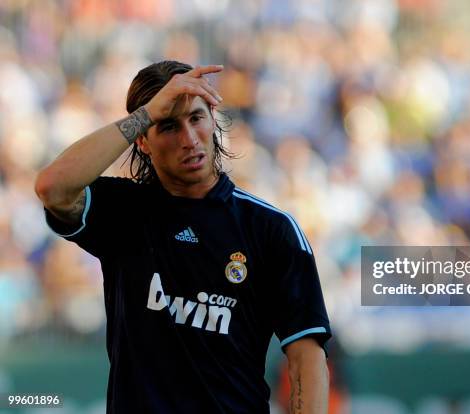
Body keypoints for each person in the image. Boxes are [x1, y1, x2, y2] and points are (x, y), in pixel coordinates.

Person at [35, 60, 332, 413]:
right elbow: (52, 188)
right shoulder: (123, 211)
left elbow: (306, 359)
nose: (189, 140)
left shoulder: (270, 229)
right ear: (143, 141)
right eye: (169, 125)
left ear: (213, 118)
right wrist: (145, 114)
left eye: (196, 118)